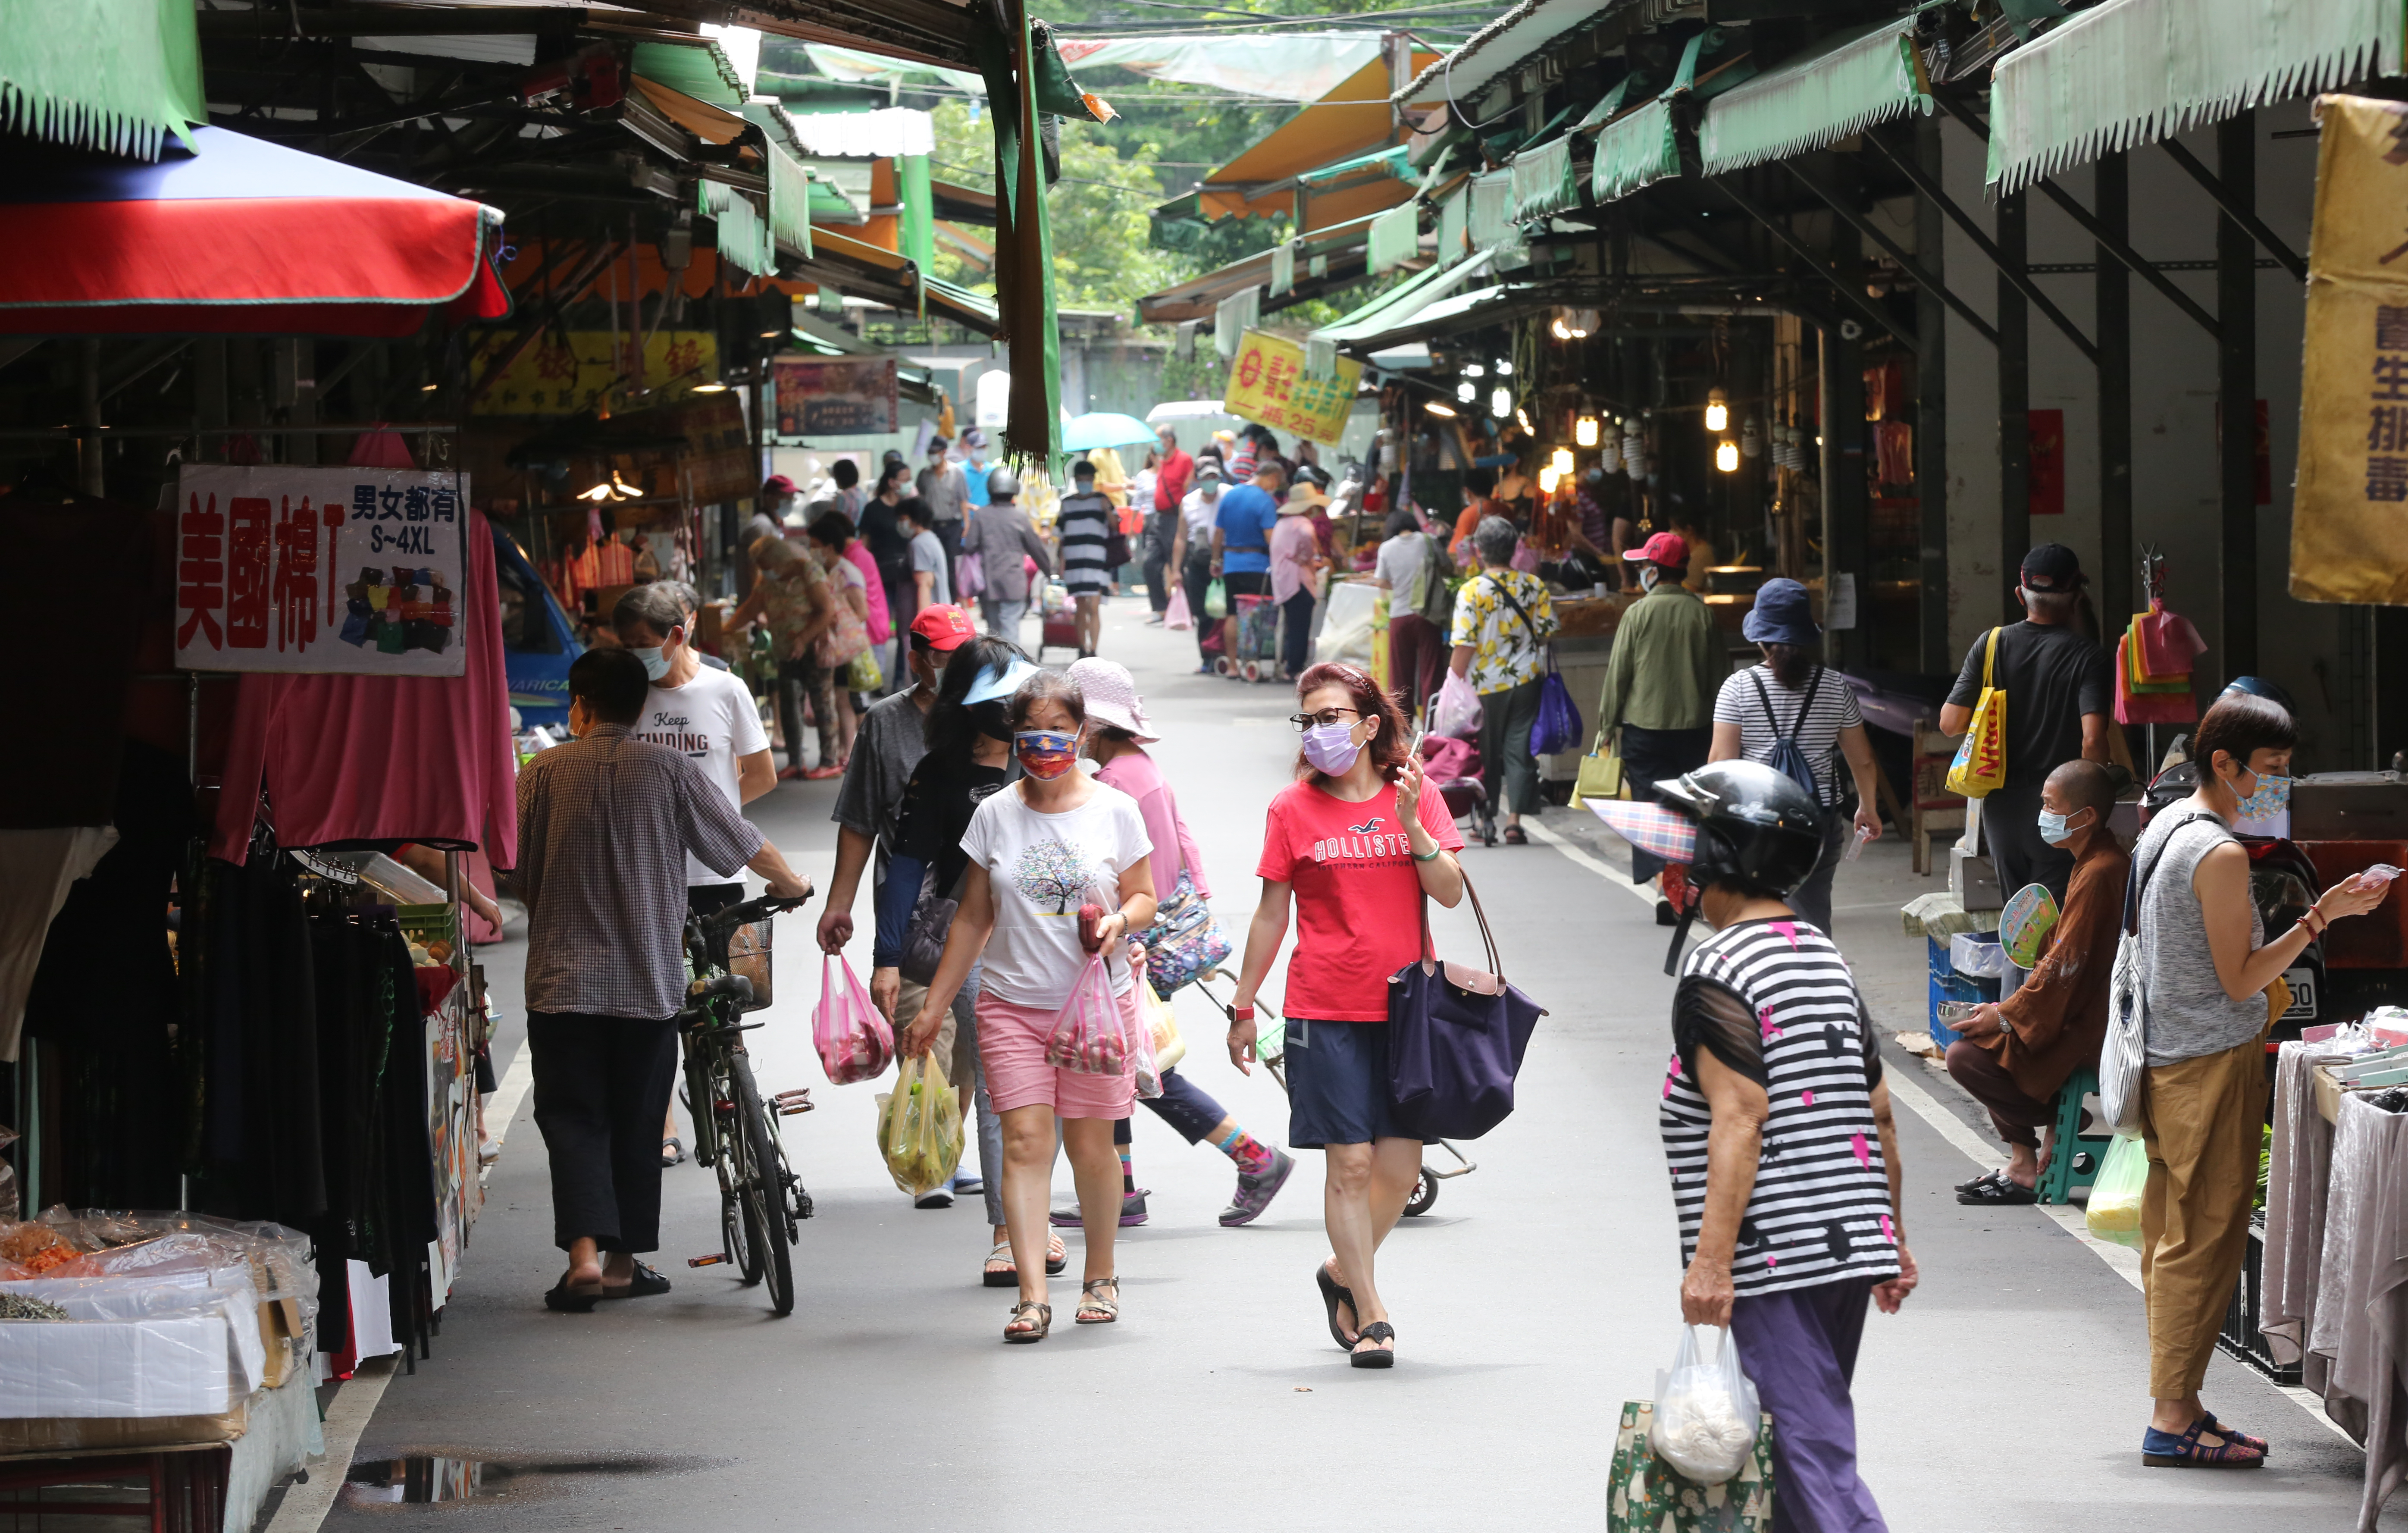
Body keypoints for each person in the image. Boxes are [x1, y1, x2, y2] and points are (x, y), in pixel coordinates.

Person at [2125, 693, 2387, 1467]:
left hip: (2167, 1061)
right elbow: (2241, 979)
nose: (2279, 785)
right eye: (2270, 772)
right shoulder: (2221, 853)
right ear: (2224, 765)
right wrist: (2322, 917)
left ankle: (2184, 1405)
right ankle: (2172, 1419)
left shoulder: (2163, 830)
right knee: (2200, 1244)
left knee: (2171, 1236)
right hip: (2207, 1067)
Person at [1652, 759, 1916, 1526]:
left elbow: (1739, 1116)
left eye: (1693, 843)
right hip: (1845, 1251)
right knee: (1792, 1455)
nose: (1680, 862)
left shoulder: (1719, 967)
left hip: (1773, 1259)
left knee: (1810, 1463)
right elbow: (1881, 1115)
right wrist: (1891, 1241)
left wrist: (1710, 1264)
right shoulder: (1820, 955)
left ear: (1727, 856)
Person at [515, 648, 811, 1311]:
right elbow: (738, 840)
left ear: (579, 706)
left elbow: (516, 866)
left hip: (561, 982)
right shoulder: (669, 768)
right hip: (646, 983)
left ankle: (583, 1256)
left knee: (572, 1116)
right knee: (638, 1114)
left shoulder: (541, 773)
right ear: (642, 707)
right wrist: (791, 882)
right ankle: (624, 1262)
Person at [904, 668, 1159, 1341]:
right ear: (1013, 739)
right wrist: (933, 1007)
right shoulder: (994, 813)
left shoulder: (1114, 808)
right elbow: (971, 918)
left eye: (1056, 736)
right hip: (1011, 1002)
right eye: (1029, 738)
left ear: (1081, 733)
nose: (1043, 749)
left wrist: (1118, 923)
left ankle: (1099, 1276)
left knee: (1090, 1144)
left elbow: (1144, 895)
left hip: (1097, 1005)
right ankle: (1031, 1294)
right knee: (1023, 1142)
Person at [1227, 662, 1465, 1367]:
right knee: (1351, 1164)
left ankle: (1340, 1272)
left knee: (1399, 1169)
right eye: (1309, 719)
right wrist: (1243, 1004)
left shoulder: (1416, 796)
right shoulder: (1290, 809)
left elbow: (1450, 893)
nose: (1319, 730)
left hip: (1407, 1009)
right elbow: (1273, 915)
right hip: (1322, 1008)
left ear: (1368, 725)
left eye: (1332, 716)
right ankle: (1373, 1311)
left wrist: (1411, 830)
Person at [1057, 658, 1294, 1228]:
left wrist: (1125, 933)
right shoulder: (1140, 767)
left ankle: (1252, 1156)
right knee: (1120, 1066)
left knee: (1136, 1067)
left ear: (1091, 723)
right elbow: (1182, 840)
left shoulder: (1112, 783)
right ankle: (1124, 1188)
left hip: (1135, 943)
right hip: (1158, 935)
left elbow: (1146, 872)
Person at [614, 583, 779, 1167]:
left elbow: (759, 776)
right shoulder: (626, 697)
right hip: (647, 879)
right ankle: (663, 1117)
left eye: (643, 643)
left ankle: (735, 1090)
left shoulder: (725, 689)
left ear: (676, 635)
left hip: (717, 878)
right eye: (626, 644)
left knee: (721, 1001)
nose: (636, 654)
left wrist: (712, 825)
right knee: (658, 1003)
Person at [1946, 759, 2129, 1203]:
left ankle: (2036, 1145)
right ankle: (2025, 1156)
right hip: (2077, 1007)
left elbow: (2066, 968)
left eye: (2050, 806)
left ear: (2085, 816)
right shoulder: (2092, 860)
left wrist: (2006, 1018)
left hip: (2088, 1022)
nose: (2041, 815)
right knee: (1982, 1029)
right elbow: (2066, 952)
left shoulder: (2101, 870)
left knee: (1964, 1055)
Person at [1939, 543, 2114, 905]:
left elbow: (1950, 722)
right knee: (2054, 925)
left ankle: (2021, 966)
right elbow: (2092, 740)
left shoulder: (1990, 644)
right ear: (2077, 596)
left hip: (2001, 809)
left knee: (2019, 922)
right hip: (2059, 806)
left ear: (2020, 594)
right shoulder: (2088, 657)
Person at [1708, 577, 1882, 932]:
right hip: (1818, 819)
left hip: (1756, 821)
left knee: (1756, 914)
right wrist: (1867, 806)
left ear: (1759, 636)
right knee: (1813, 913)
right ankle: (1816, 974)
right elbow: (1862, 759)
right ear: (1805, 634)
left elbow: (1720, 764)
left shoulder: (1737, 687)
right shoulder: (1836, 686)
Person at [1596, 531, 1725, 908]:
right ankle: (1683, 883)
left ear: (1653, 570)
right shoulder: (1704, 615)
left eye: (1643, 566)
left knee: (1649, 811)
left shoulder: (1637, 613)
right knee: (1690, 809)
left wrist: (1606, 727)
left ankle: (1662, 886)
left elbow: (1618, 675)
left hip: (1643, 730)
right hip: (1696, 731)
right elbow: (1720, 680)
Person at [1447, 514, 1559, 846]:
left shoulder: (1472, 590)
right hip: (1526, 681)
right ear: (1514, 550)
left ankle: (1485, 819)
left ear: (1479, 551)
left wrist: (1452, 680)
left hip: (1484, 684)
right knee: (1519, 750)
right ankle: (1514, 822)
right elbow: (1546, 634)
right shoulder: (1533, 585)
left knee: (1486, 752)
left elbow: (1464, 643)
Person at [726, 533, 838, 780]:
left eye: (768, 567)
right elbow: (752, 606)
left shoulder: (809, 571)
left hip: (814, 647)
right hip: (785, 649)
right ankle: (795, 760)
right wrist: (727, 629)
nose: (765, 572)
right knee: (788, 704)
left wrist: (803, 639)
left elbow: (826, 610)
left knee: (822, 703)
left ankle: (829, 760)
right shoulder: (767, 579)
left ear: (782, 562)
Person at [805, 511, 880, 769]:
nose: (811, 551)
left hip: (847, 649)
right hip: (833, 647)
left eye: (815, 546)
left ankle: (848, 753)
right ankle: (843, 752)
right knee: (839, 700)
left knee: (845, 700)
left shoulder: (847, 573)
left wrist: (841, 632)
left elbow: (862, 611)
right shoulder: (825, 571)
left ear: (828, 546)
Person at [1373, 506, 1450, 720]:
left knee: (1399, 673)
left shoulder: (1386, 548)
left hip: (1399, 616)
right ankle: (1431, 723)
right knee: (1431, 671)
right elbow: (1446, 567)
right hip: (1427, 614)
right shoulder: (1428, 541)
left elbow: (1380, 581)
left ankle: (1401, 723)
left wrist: (1398, 585)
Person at [960, 467, 1051, 639]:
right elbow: (1036, 549)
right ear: (1014, 490)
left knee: (993, 633)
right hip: (1014, 584)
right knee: (1011, 630)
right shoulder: (1020, 517)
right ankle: (1012, 665)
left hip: (988, 584)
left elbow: (970, 545)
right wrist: (1050, 572)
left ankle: (996, 665)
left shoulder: (981, 516)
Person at [1211, 459, 1283, 663]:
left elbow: (1218, 532)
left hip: (1231, 565)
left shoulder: (1231, 495)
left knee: (1233, 614)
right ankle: (1253, 660)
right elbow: (1271, 539)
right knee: (1256, 616)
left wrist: (1216, 561)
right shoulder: (1266, 502)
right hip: (1257, 567)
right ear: (1272, 478)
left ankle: (1233, 665)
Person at [861, 470, 916, 691]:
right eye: (905, 479)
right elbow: (864, 543)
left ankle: (901, 682)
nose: (908, 484)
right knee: (878, 629)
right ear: (892, 482)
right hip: (879, 577)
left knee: (906, 631)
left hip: (905, 577)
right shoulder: (873, 509)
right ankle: (876, 679)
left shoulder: (910, 507)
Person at [1055, 458, 1115, 658]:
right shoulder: (1067, 504)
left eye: (1088, 479)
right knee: (1081, 606)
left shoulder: (1102, 501)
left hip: (1098, 561)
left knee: (1094, 606)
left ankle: (1094, 650)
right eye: (1081, 479)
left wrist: (1107, 509)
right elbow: (1060, 536)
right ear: (1075, 479)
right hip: (1074, 562)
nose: (1084, 483)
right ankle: (1083, 648)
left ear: (1093, 479)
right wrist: (1060, 563)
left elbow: (1116, 527)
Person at [1171, 461, 1225, 673]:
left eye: (1215, 478)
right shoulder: (1189, 502)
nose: (1211, 482)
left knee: (1223, 611)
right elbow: (1181, 537)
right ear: (1199, 480)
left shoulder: (1227, 496)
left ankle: (1224, 654)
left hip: (1223, 559)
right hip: (1198, 561)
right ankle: (1207, 658)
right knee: (1203, 613)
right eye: (1207, 478)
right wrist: (1176, 569)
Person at [917, 435, 968, 558]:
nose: (932, 456)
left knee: (952, 561)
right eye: (930, 452)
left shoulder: (957, 473)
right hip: (931, 526)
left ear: (944, 452)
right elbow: (920, 500)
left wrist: (966, 525)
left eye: (935, 452)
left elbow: (963, 501)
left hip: (953, 526)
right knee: (933, 559)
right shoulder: (924, 474)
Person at [897, 497, 952, 610]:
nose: (900, 524)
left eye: (903, 519)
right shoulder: (930, 539)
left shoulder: (919, 544)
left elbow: (925, 585)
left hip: (932, 616)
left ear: (915, 519)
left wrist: (922, 623)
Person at [828, 458, 866, 524]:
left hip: (846, 533)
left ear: (840, 477)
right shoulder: (863, 495)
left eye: (835, 477)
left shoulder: (842, 497)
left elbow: (835, 522)